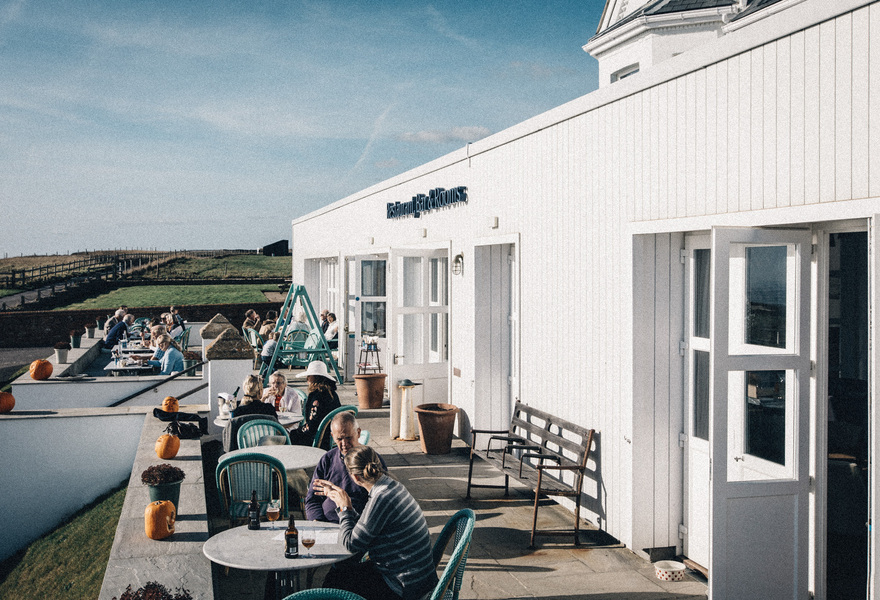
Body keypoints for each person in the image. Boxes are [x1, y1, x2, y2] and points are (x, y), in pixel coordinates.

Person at [318, 446, 438, 600]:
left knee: (334, 581)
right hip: (418, 578)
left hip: (403, 587)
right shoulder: (391, 486)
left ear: (355, 477)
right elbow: (368, 527)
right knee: (342, 571)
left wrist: (344, 509)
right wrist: (344, 503)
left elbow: (350, 544)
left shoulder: (381, 498)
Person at [306, 412, 385, 522]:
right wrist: (317, 520)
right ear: (332, 436)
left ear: (358, 433)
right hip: (327, 523)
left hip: (358, 523)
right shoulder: (327, 459)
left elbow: (381, 502)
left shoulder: (372, 459)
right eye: (339, 439)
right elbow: (312, 500)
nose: (344, 443)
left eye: (348, 438)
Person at [288, 361, 341, 447]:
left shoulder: (316, 397)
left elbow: (312, 426)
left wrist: (294, 432)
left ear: (316, 377)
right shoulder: (332, 393)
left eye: (309, 376)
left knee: (288, 437)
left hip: (319, 439)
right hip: (332, 435)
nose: (307, 378)